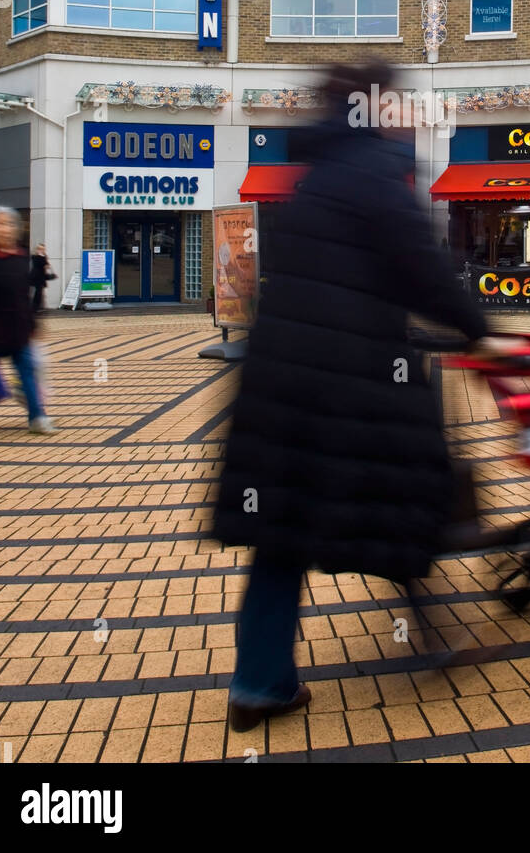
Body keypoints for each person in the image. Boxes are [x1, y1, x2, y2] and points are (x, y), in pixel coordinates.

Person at [213, 64, 491, 730]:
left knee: (279, 532)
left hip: (281, 381)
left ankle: (258, 684)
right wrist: (480, 331)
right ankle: (428, 629)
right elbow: (424, 272)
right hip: (353, 381)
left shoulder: (318, 174)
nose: (407, 115)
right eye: (398, 103)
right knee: (401, 494)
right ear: (376, 109)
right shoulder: (375, 173)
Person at [0, 208, 55, 434]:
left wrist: (34, 324)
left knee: (28, 374)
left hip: (19, 331)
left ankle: (37, 417)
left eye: (8, 224)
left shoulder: (21, 258)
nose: (4, 228)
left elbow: (26, 294)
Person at [29, 243, 56, 313]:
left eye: (43, 249)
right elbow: (42, 265)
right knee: (37, 293)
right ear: (37, 250)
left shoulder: (43, 257)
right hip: (36, 278)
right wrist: (45, 261)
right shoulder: (36, 257)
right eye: (40, 249)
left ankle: (37, 307)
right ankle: (34, 308)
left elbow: (46, 266)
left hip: (41, 278)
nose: (41, 250)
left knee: (39, 293)